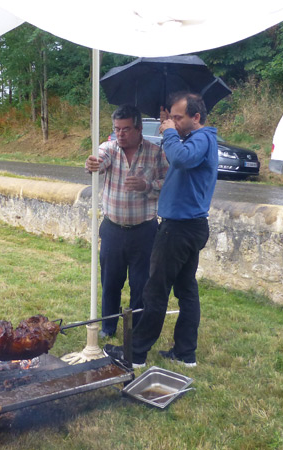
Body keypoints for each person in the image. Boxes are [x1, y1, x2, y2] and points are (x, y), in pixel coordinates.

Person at [131, 92, 218, 368]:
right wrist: (172, 127)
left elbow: (180, 159)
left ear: (196, 117)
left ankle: (135, 354)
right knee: (186, 289)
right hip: (190, 226)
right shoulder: (198, 139)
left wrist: (168, 133)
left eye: (178, 117)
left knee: (155, 290)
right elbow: (183, 157)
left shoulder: (201, 138)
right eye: (171, 117)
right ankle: (185, 353)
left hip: (179, 229)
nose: (173, 121)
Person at [85, 104, 168, 338]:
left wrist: (147, 186)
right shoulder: (109, 149)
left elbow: (168, 182)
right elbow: (97, 161)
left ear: (139, 129)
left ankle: (136, 330)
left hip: (145, 231)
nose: (121, 134)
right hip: (113, 230)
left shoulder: (155, 152)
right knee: (110, 282)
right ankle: (108, 327)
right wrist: (91, 165)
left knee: (141, 285)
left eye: (126, 129)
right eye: (117, 129)